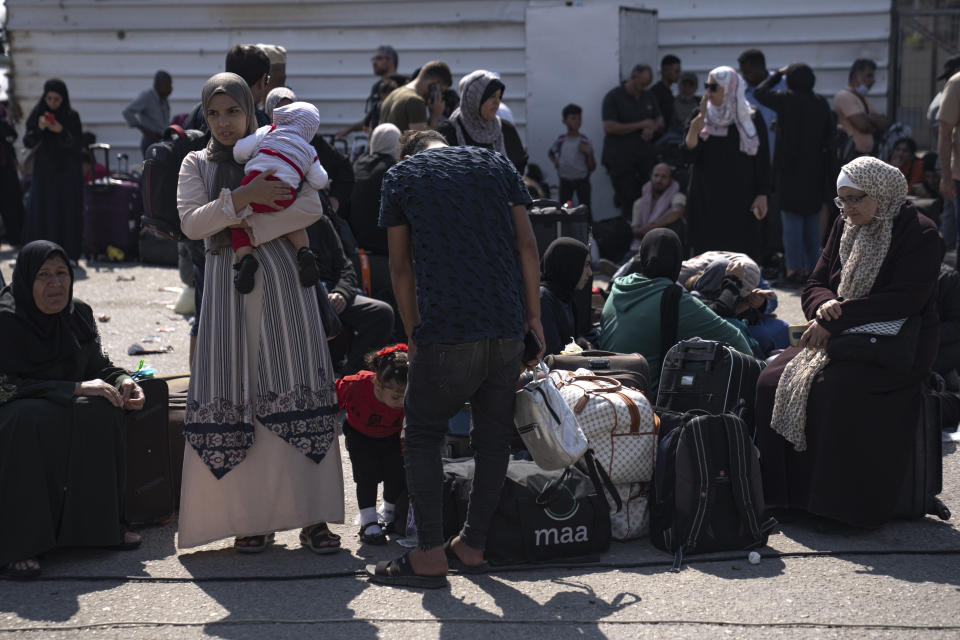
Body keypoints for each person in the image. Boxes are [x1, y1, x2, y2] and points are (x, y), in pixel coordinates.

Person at [176, 73, 344, 554]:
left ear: (251, 111)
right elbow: (192, 224)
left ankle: (312, 518)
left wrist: (240, 220)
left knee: (295, 389)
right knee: (242, 392)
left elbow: (311, 206)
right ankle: (251, 518)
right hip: (230, 294)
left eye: (233, 111)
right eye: (214, 113)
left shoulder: (282, 142)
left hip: (287, 287)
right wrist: (244, 200)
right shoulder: (196, 163)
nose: (224, 123)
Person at [369, 130, 541, 588]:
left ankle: (427, 553)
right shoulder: (496, 164)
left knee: (423, 432)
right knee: (493, 439)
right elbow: (527, 245)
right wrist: (534, 318)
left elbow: (400, 267)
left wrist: (413, 332)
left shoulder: (402, 176)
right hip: (506, 325)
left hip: (446, 328)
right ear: (446, 143)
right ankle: (472, 543)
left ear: (411, 152)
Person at [755, 156, 940, 527]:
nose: (848, 208)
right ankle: (785, 497)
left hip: (894, 346)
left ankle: (835, 507)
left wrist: (838, 318)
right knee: (770, 379)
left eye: (856, 198)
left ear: (880, 193)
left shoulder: (919, 232)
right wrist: (825, 307)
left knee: (833, 389)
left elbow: (906, 299)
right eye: (842, 200)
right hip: (841, 335)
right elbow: (815, 283)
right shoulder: (844, 224)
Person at [0, 241, 145, 579]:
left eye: (62, 274)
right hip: (14, 408)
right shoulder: (6, 321)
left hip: (61, 402)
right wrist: (74, 388)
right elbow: (5, 386)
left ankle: (100, 529)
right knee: (30, 419)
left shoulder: (77, 313)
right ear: (24, 280)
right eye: (44, 276)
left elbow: (99, 364)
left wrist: (125, 381)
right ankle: (22, 545)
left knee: (103, 407)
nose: (56, 285)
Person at [598, 229, 754, 391]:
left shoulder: (618, 288)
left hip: (605, 390)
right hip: (647, 400)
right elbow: (736, 339)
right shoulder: (673, 298)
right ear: (677, 261)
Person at [230, 101, 328, 293]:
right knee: (293, 223)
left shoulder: (269, 131)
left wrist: (244, 159)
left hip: (254, 184)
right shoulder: (309, 150)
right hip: (284, 194)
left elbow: (240, 151)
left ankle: (246, 258)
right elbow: (319, 181)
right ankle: (304, 252)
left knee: (236, 222)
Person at [753, 63, 834, 285]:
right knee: (810, 219)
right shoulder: (820, 103)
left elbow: (759, 92)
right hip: (815, 169)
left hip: (789, 170)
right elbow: (829, 135)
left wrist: (777, 74)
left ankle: (794, 269)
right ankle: (814, 269)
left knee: (791, 220)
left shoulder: (786, 99)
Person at [682, 66, 770, 259]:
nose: (708, 92)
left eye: (714, 87)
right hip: (706, 196)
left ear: (730, 88)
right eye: (707, 86)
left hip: (741, 198)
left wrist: (762, 193)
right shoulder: (701, 114)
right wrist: (694, 129)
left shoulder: (750, 117)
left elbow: (762, 158)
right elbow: (688, 156)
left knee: (738, 256)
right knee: (705, 257)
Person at [306, 208, 395, 377]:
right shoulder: (278, 224)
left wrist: (341, 293)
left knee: (381, 312)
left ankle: (353, 378)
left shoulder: (320, 221)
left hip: (333, 294)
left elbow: (346, 268)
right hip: (303, 297)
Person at [336, 345, 408, 545]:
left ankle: (389, 512)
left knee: (396, 474)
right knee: (366, 476)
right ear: (377, 384)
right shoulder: (356, 385)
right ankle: (368, 522)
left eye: (405, 396)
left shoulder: (407, 399)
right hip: (360, 435)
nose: (401, 402)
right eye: (395, 396)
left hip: (392, 436)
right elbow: (333, 397)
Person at [21, 79, 85, 263]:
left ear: (63, 99)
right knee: (42, 211)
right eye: (49, 98)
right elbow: (28, 141)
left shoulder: (71, 116)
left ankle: (68, 255)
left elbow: (76, 144)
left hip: (66, 173)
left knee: (66, 212)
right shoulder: (39, 113)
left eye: (57, 99)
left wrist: (61, 131)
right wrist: (40, 129)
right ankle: (39, 255)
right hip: (44, 173)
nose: (52, 103)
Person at [601, 64, 664, 221]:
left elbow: (659, 120)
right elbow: (609, 127)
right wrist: (640, 125)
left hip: (644, 158)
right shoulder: (613, 97)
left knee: (647, 197)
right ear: (632, 77)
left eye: (647, 85)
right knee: (627, 199)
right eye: (641, 84)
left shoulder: (648, 96)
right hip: (621, 159)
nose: (644, 88)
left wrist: (652, 128)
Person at [436, 69, 528, 174]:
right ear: (474, 98)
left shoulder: (506, 130)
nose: (497, 102)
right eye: (492, 96)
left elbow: (520, 165)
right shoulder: (449, 132)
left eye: (499, 97)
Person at [337, 45, 407, 137]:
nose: (374, 62)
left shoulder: (404, 85)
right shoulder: (377, 86)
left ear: (391, 61)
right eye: (373, 59)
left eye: (378, 58)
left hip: (397, 142)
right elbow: (373, 117)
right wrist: (350, 129)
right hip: (377, 143)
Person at [539, 238, 592, 356]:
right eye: (586, 265)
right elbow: (552, 356)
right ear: (569, 265)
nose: (590, 273)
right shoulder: (543, 299)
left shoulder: (565, 297)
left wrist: (578, 342)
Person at [833, 59, 890, 158]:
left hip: (866, 155)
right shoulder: (844, 96)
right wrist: (872, 120)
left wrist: (867, 117)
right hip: (852, 155)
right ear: (855, 77)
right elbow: (863, 125)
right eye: (869, 76)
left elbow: (884, 124)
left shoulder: (864, 98)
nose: (873, 81)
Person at [378, 60, 451, 132]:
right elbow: (423, 141)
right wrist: (435, 117)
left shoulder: (393, 94)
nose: (439, 96)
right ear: (434, 83)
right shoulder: (415, 101)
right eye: (440, 90)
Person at [630, 162, 686, 252]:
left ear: (670, 180)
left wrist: (652, 227)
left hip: (664, 250)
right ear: (651, 177)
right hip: (639, 249)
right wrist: (643, 232)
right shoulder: (639, 203)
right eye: (656, 175)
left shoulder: (677, 196)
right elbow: (634, 230)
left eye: (664, 177)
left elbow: (677, 211)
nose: (659, 180)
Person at [547, 104, 595, 209]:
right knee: (565, 208)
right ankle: (565, 226)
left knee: (585, 208)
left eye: (579, 118)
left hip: (582, 180)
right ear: (564, 121)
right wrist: (555, 161)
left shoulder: (584, 141)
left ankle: (588, 226)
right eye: (573, 118)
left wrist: (589, 153)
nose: (577, 121)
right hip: (565, 181)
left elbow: (592, 167)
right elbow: (550, 152)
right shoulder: (561, 140)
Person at [122, 70, 172, 156]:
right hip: (150, 141)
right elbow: (127, 112)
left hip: (162, 140)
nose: (170, 88)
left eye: (170, 85)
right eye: (167, 85)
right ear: (158, 84)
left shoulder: (163, 98)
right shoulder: (147, 96)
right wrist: (145, 130)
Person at [0, 101, 24, 246]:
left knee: (11, 203)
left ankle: (16, 237)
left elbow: (11, 136)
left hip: (5, 166)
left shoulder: (3, 115)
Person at [650, 55, 681, 137]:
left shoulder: (668, 92)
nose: (679, 75)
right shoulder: (656, 92)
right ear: (666, 70)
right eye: (676, 71)